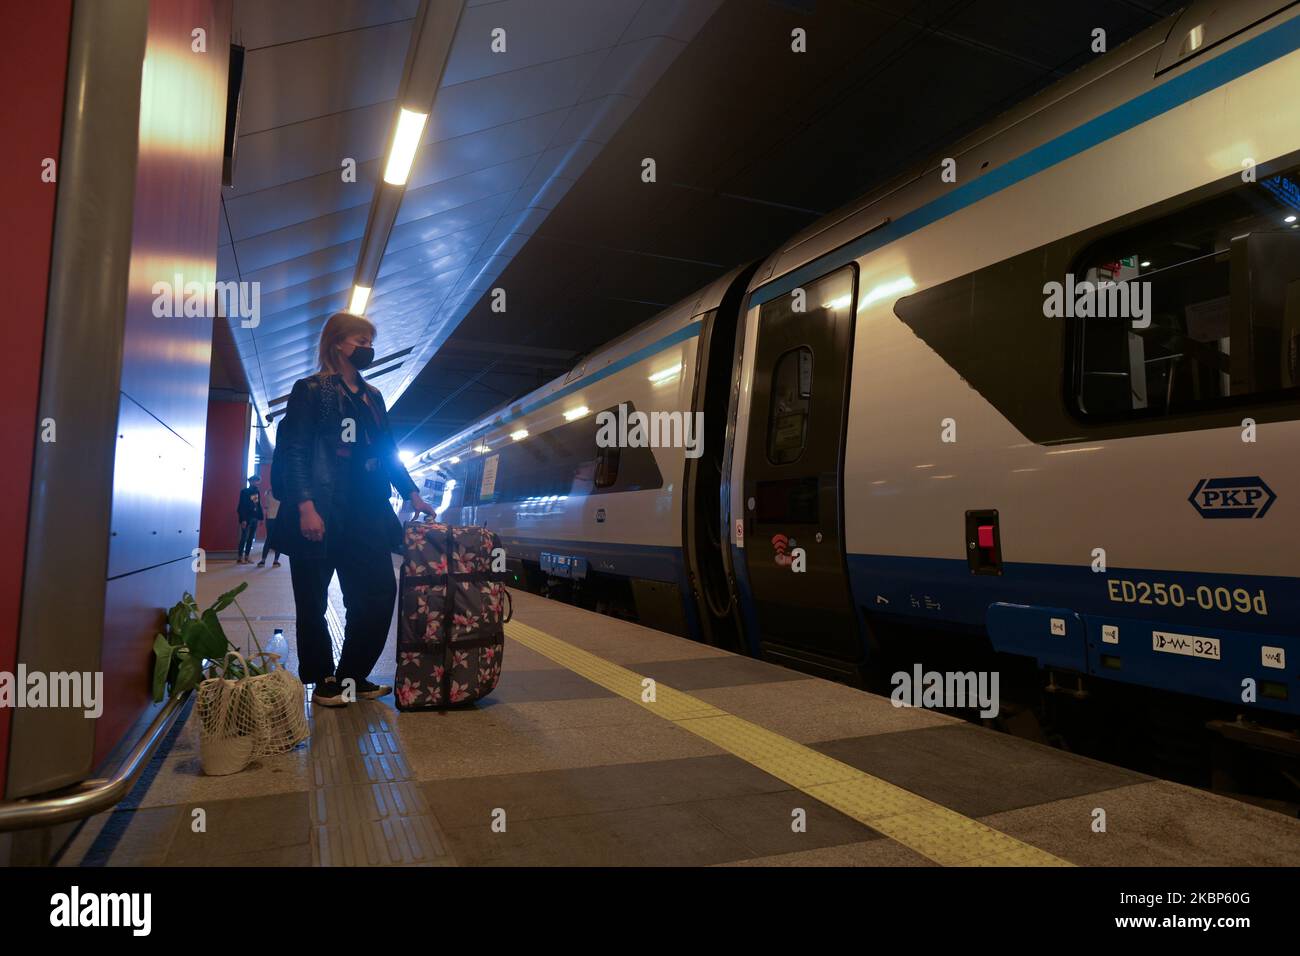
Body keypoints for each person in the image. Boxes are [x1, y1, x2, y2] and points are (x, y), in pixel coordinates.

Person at [271, 311, 435, 707]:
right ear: (336, 344)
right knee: (312, 600)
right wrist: (305, 505)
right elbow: (295, 451)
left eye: (369, 341)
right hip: (323, 506)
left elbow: (387, 451)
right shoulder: (311, 390)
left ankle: (352, 674)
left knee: (378, 592)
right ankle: (324, 681)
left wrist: (411, 492)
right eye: (359, 341)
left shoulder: (373, 397)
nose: (367, 349)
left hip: (366, 510)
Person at [235, 476, 263, 564]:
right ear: (250, 482)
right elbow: (242, 506)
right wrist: (243, 519)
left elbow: (257, 505)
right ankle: (240, 557)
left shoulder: (256, 492)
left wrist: (260, 517)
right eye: (255, 481)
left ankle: (247, 556)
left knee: (251, 538)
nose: (256, 483)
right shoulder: (244, 491)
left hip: (254, 517)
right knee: (244, 538)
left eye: (257, 481)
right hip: (247, 518)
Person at [257, 483, 282, 567]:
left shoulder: (267, 494)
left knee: (268, 539)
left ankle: (263, 560)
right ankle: (275, 561)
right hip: (278, 519)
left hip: (269, 518)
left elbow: (266, 507)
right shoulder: (282, 495)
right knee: (278, 540)